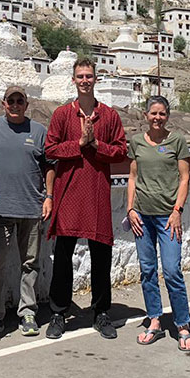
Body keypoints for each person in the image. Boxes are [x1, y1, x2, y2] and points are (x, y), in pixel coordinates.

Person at [44, 58, 127, 340]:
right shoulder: (61, 115)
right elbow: (51, 149)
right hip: (69, 193)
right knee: (63, 256)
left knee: (101, 255)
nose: (85, 80)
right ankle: (58, 312)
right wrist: (78, 145)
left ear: (96, 79)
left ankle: (101, 312)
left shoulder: (110, 116)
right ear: (73, 80)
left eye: (89, 76)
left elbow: (120, 151)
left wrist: (96, 145)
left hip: (97, 192)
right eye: (80, 76)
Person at [0, 86, 54, 340]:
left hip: (31, 208)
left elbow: (49, 166)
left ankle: (28, 311)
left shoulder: (39, 131)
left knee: (30, 263)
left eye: (19, 101)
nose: (15, 105)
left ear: (26, 104)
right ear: (3, 104)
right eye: (10, 101)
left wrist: (49, 196)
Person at [127, 96, 190, 351]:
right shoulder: (136, 142)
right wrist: (130, 208)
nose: (157, 118)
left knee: (172, 270)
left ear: (168, 115)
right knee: (147, 270)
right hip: (142, 216)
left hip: (168, 216)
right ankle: (154, 319)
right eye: (153, 113)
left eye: (162, 113)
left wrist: (177, 210)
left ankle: (182, 324)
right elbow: (133, 177)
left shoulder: (176, 141)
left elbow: (185, 178)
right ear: (146, 115)